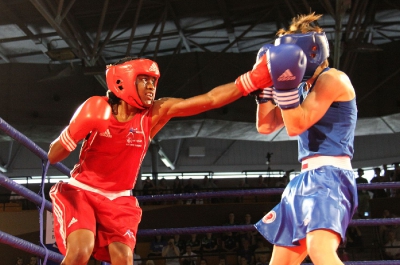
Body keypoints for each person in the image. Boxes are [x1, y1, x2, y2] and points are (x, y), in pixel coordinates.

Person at [47, 55, 255, 265]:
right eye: (144, 79)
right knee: (81, 251)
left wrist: (252, 80)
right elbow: (53, 156)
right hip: (82, 192)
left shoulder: (152, 114)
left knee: (124, 259)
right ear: (124, 79)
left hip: (118, 200)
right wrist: (74, 131)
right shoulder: (99, 109)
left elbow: (209, 99)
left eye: (153, 81)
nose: (151, 86)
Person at [253, 13, 358, 265]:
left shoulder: (333, 79)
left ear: (311, 53)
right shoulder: (301, 89)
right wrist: (265, 88)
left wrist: (284, 86)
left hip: (331, 177)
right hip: (302, 180)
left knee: (319, 250)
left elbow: (295, 125)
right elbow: (266, 126)